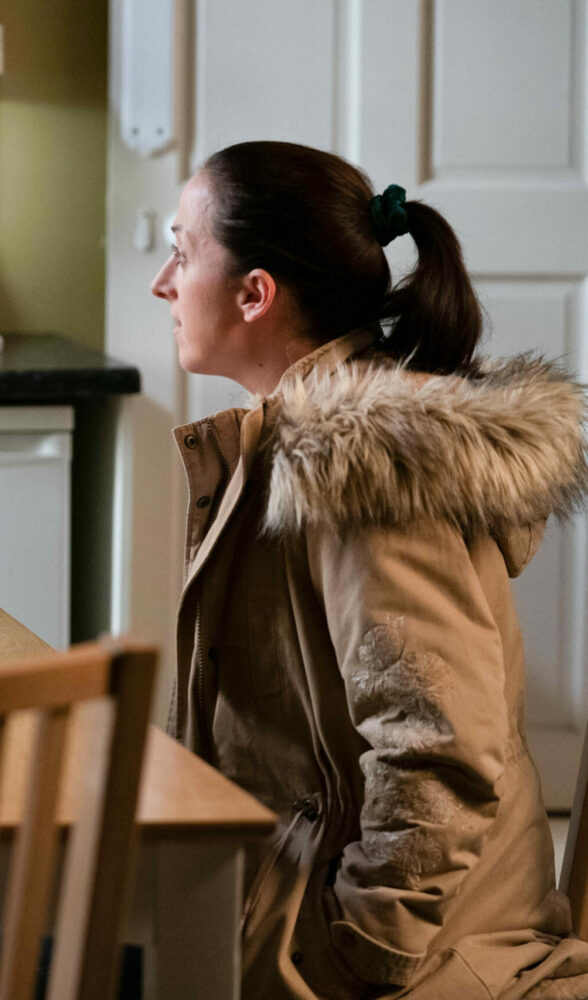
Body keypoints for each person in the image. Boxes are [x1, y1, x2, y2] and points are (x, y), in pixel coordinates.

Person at [151, 139, 588, 999]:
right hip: (294, 913)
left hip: (413, 963)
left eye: (182, 252)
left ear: (254, 294)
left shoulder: (356, 471)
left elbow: (438, 742)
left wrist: (357, 950)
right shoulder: (294, 442)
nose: (163, 282)